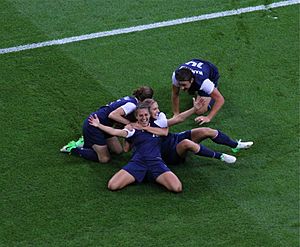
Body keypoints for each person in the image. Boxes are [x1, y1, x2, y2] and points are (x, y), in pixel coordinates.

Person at [88, 103, 182, 193]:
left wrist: (194, 109)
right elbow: (114, 132)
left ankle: (148, 175)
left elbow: (177, 120)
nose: (144, 118)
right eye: (140, 116)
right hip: (138, 163)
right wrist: (99, 125)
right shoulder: (132, 129)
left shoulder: (158, 125)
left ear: (150, 115)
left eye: (146, 115)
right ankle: (145, 175)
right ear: (136, 117)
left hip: (156, 163)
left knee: (177, 187)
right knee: (113, 185)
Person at [142, 99, 253, 166]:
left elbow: (167, 129)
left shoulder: (159, 116)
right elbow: (178, 119)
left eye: (157, 108)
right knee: (187, 142)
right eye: (154, 109)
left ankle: (235, 145)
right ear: (146, 112)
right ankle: (221, 157)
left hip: (174, 139)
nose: (158, 111)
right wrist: (193, 109)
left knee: (206, 131)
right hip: (169, 153)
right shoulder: (143, 124)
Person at [60, 86, 154, 163]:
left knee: (118, 150)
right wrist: (130, 123)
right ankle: (72, 149)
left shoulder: (131, 100)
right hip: (93, 124)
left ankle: (86, 141)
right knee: (104, 159)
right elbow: (113, 115)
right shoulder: (132, 105)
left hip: (104, 125)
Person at [171, 58, 224, 125]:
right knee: (189, 89)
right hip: (196, 64)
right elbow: (175, 94)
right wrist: (176, 114)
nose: (181, 88)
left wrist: (208, 118)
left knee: (199, 110)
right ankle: (194, 89)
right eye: (180, 84)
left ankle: (214, 90)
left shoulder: (204, 82)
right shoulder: (176, 77)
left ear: (192, 80)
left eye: (184, 85)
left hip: (211, 72)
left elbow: (220, 99)